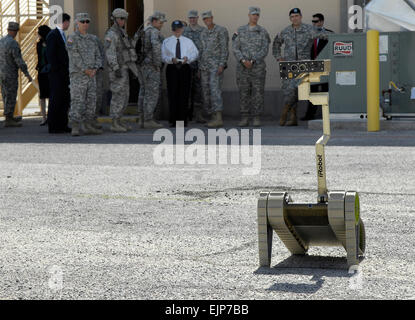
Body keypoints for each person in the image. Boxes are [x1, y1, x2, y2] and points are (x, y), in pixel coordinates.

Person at [273, 8, 328, 127]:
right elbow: (276, 43)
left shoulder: (309, 29)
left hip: (303, 65)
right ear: (290, 18)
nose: (295, 18)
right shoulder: (285, 31)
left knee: (297, 91)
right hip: (288, 65)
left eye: (297, 16)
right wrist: (278, 57)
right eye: (292, 16)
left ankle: (285, 112)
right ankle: (292, 118)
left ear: (301, 17)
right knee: (288, 91)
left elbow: (326, 36)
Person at [232, 7, 270, 127]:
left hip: (257, 68)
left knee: (257, 92)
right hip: (243, 68)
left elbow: (265, 49)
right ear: (248, 15)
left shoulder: (263, 31)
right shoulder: (240, 30)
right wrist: (243, 60)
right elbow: (235, 47)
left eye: (257, 15)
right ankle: (245, 117)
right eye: (253, 14)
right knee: (244, 92)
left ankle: (256, 117)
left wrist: (252, 60)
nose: (255, 17)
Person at [67, 13, 103, 136]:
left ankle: (88, 125)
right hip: (78, 76)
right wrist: (85, 69)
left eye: (87, 21)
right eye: (83, 21)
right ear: (77, 23)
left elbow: (99, 55)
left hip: (92, 76)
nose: (85, 24)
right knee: (78, 101)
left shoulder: (93, 39)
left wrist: (95, 69)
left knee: (91, 101)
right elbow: (74, 57)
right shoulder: (72, 38)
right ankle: (75, 126)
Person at [105, 8, 139, 133]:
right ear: (114, 19)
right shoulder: (111, 34)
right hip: (117, 70)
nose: (123, 21)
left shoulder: (122, 32)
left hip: (125, 68)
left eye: (124, 18)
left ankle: (119, 120)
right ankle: (114, 122)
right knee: (118, 96)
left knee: (125, 96)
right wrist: (115, 68)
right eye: (120, 18)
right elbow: (110, 53)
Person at [162, 20, 198, 127]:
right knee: (172, 94)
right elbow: (163, 56)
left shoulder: (188, 41)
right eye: (175, 30)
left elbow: (195, 53)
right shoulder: (167, 41)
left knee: (184, 94)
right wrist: (170, 59)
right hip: (172, 68)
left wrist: (189, 58)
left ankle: (182, 120)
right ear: (172, 30)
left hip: (185, 68)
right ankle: (173, 120)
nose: (177, 31)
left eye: (179, 29)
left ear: (182, 29)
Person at [301, 13, 334, 121]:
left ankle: (327, 114)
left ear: (321, 22)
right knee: (312, 91)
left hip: (325, 67)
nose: (314, 24)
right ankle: (310, 115)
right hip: (312, 67)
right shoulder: (309, 34)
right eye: (313, 22)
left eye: (316, 21)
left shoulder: (329, 34)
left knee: (326, 90)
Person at [0, 22, 33, 128]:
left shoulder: (1, 41)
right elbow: (19, 61)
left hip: (2, 73)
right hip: (10, 74)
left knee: (5, 94)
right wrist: (27, 74)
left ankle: (9, 116)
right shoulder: (13, 44)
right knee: (11, 95)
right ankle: (9, 119)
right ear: (14, 31)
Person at [200, 10, 229, 128]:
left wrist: (222, 64)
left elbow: (224, 48)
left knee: (215, 91)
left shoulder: (221, 30)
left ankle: (218, 118)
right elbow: (201, 50)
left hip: (216, 67)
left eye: (208, 18)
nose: (207, 20)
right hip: (204, 67)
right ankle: (212, 116)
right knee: (206, 92)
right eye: (205, 19)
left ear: (212, 18)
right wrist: (199, 67)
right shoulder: (203, 33)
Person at [139, 11, 166, 129]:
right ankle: (148, 119)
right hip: (152, 66)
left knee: (144, 91)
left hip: (143, 66)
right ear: (154, 21)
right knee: (152, 93)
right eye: (160, 22)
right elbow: (156, 48)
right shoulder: (154, 32)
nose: (162, 25)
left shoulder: (145, 31)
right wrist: (158, 63)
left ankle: (142, 118)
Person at [46, 13, 71, 134]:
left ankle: (62, 124)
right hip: (56, 74)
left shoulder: (62, 35)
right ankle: (53, 125)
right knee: (56, 99)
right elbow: (50, 55)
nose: (69, 25)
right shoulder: (53, 35)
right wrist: (57, 71)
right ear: (64, 22)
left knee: (64, 99)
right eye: (68, 22)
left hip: (64, 73)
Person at [183, 10, 206, 123]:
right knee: (186, 89)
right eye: (190, 18)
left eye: (194, 18)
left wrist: (201, 67)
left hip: (199, 64)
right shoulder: (184, 31)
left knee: (198, 90)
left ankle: (198, 114)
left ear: (197, 18)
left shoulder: (203, 31)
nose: (192, 20)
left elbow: (205, 50)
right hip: (186, 65)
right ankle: (186, 113)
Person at [36, 25, 51, 126]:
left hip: (50, 71)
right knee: (42, 95)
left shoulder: (51, 43)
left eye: (39, 32)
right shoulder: (39, 44)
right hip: (41, 71)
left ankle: (50, 116)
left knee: (50, 95)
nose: (38, 34)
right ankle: (43, 117)